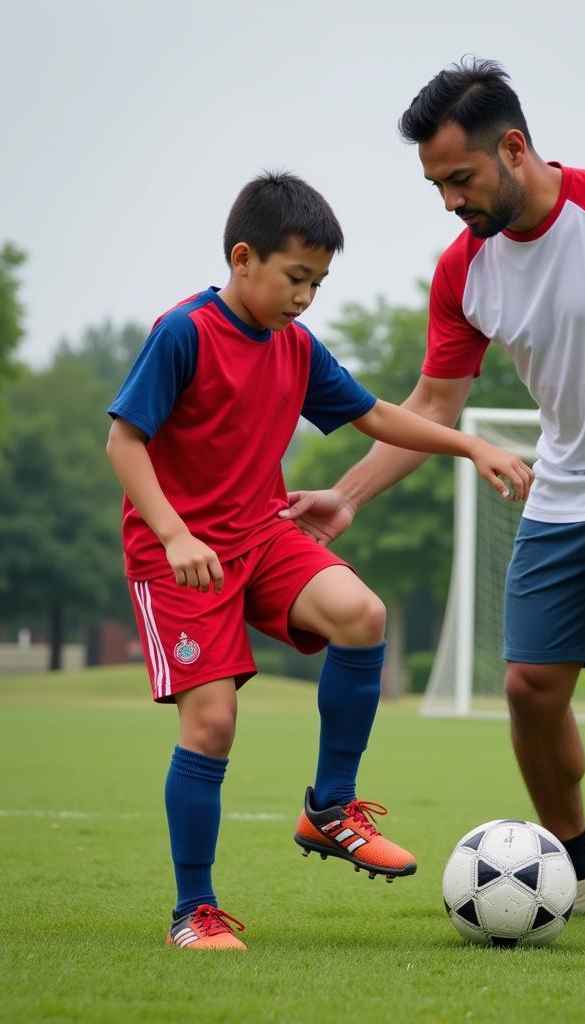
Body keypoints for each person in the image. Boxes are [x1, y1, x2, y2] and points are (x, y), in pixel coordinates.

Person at [280, 60, 585, 939]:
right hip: (564, 485)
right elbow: (434, 407)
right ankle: (575, 865)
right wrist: (350, 497)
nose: (450, 202)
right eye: (435, 185)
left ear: (514, 147)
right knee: (528, 689)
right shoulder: (464, 270)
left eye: (460, 180)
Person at [105, 170, 533, 950]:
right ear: (244, 259)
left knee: (361, 614)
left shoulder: (297, 348)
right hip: (179, 557)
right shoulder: (185, 333)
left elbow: (376, 415)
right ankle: (193, 912)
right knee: (213, 725)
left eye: (318, 283)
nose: (305, 298)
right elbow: (123, 441)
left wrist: (469, 443)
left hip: (262, 534)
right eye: (295, 278)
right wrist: (173, 532)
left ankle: (330, 808)